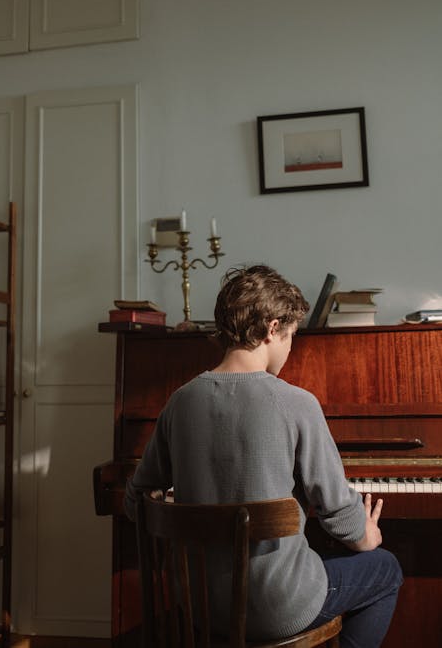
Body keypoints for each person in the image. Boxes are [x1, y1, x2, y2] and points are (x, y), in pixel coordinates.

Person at [124, 264, 403, 646]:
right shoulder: (297, 403)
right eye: (291, 337)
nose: (290, 348)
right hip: (276, 608)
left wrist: (180, 501)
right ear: (273, 329)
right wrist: (366, 534)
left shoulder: (180, 402)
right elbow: (339, 515)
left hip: (198, 604)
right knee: (385, 569)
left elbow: (134, 501)